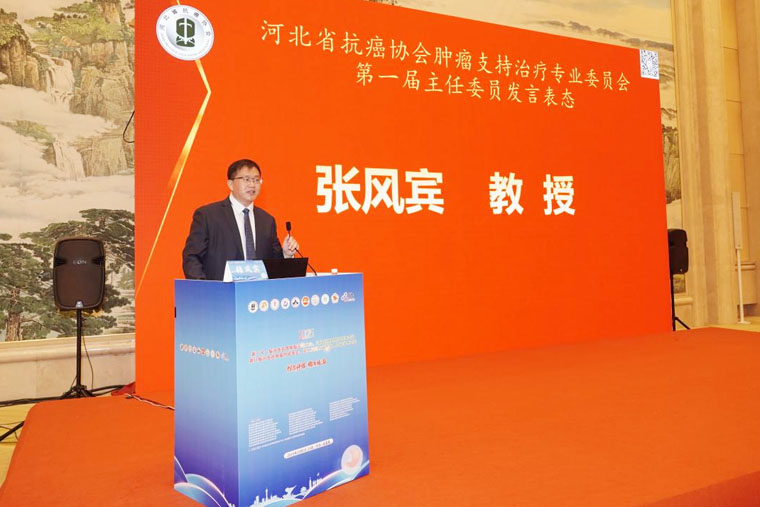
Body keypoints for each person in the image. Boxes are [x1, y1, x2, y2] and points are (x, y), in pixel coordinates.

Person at [182, 158, 299, 280]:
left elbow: (273, 264)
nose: (252, 185)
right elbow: (192, 257)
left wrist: (286, 254)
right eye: (246, 179)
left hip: (258, 291)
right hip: (219, 290)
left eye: (256, 180)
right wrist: (205, 287)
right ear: (230, 184)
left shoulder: (267, 221)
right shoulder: (208, 215)